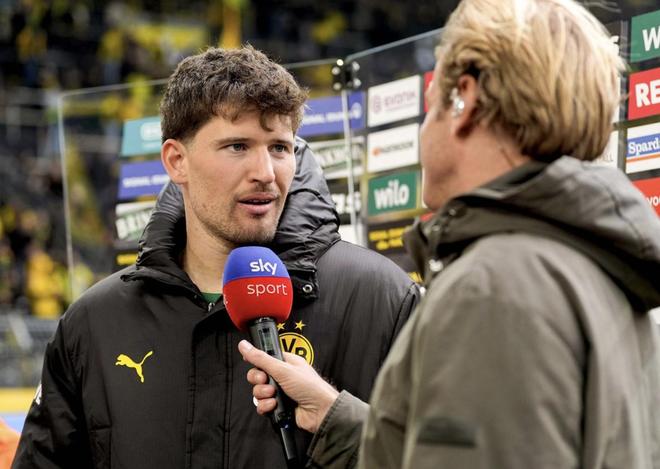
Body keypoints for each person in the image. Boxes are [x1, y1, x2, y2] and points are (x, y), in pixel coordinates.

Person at [240, 0, 660, 468]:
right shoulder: (599, 270)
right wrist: (337, 419)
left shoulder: (496, 286)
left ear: (465, 100)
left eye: (432, 101)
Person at [12, 46, 420, 468]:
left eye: (280, 148)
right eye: (238, 146)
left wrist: (343, 424)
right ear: (176, 161)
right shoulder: (94, 324)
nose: (265, 173)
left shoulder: (381, 300)